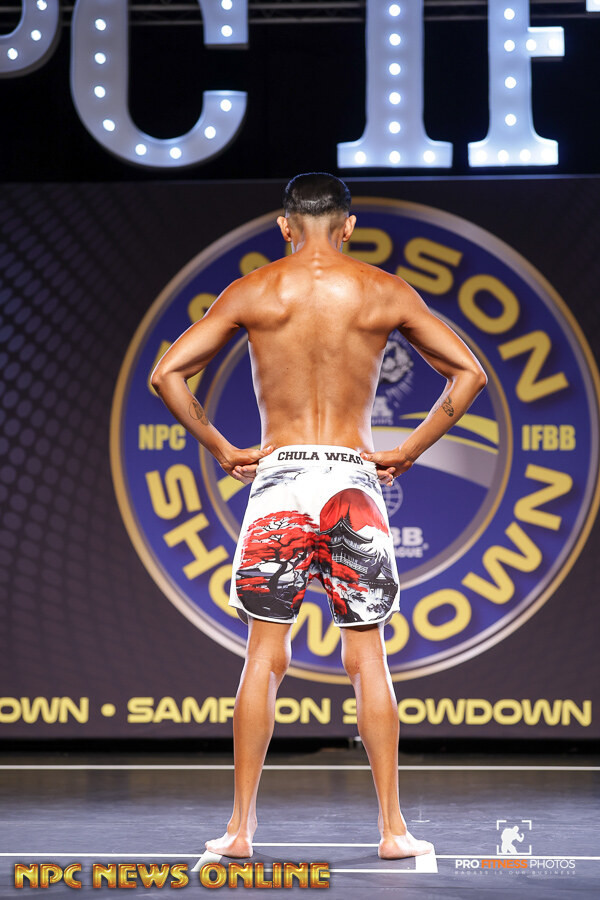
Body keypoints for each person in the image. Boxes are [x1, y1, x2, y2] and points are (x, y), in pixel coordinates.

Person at [151, 173, 487, 860]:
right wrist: (410, 450)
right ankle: (393, 831)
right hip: (352, 475)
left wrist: (220, 447)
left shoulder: (254, 290)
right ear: (349, 226)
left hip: (279, 478)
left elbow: (166, 374)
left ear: (284, 225)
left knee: (265, 656)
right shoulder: (382, 290)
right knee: (367, 657)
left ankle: (239, 831)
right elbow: (470, 372)